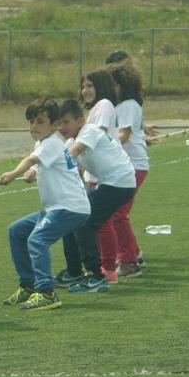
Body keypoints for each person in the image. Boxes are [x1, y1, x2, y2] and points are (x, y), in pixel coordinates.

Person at [0, 98, 91, 312]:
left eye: (40, 122)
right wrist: (31, 173)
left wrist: (13, 174)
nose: (34, 127)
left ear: (55, 124)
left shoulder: (52, 143)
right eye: (31, 122)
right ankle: (29, 286)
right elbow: (40, 165)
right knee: (17, 231)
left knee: (37, 239)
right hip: (58, 207)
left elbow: (32, 160)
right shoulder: (45, 144)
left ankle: (47, 292)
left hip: (69, 207)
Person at [55, 99, 138, 294]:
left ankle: (96, 276)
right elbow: (67, 166)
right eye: (58, 122)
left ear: (80, 121)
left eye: (66, 122)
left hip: (121, 182)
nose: (61, 127)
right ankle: (74, 271)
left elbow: (72, 154)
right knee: (72, 217)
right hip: (110, 182)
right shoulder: (71, 140)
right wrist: (36, 171)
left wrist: (44, 165)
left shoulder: (89, 130)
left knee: (84, 221)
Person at [56, 69, 119, 287]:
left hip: (110, 175)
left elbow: (94, 136)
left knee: (98, 222)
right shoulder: (93, 112)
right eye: (83, 87)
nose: (85, 91)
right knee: (92, 221)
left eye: (90, 86)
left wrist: (64, 158)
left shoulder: (103, 106)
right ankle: (86, 268)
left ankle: (106, 269)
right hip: (96, 173)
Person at [108, 62, 149, 277]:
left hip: (133, 166)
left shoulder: (129, 105)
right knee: (116, 214)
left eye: (113, 84)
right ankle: (134, 254)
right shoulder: (115, 107)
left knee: (117, 214)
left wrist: (98, 145)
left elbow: (123, 136)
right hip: (123, 166)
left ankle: (129, 261)